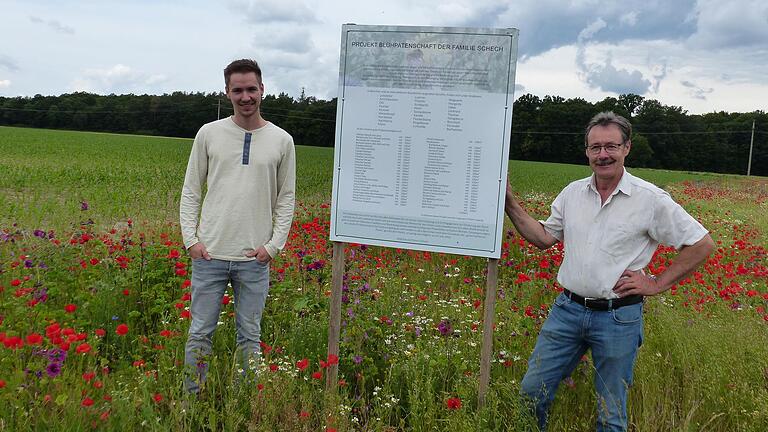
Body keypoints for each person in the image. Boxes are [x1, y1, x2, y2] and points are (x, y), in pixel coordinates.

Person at [505, 111, 714, 431]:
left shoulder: (651, 199)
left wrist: (656, 283)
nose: (603, 155)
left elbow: (701, 244)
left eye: (611, 146)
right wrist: (509, 202)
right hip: (567, 311)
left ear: (627, 147)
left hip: (619, 317)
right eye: (595, 147)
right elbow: (544, 238)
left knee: (610, 411)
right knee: (532, 392)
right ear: (587, 151)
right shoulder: (573, 193)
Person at [180, 59, 296, 394]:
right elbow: (190, 191)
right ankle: (191, 402)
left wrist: (273, 247)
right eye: (238, 90)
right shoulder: (209, 134)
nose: (245, 96)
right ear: (227, 93)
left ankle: (245, 404)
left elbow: (286, 199)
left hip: (254, 260)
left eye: (251, 89)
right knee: (200, 333)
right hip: (209, 256)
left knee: (250, 336)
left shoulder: (282, 141)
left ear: (263, 90)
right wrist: (191, 241)